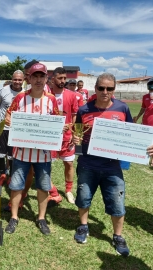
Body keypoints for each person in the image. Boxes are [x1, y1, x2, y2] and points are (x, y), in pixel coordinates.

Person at [72, 73, 131, 257]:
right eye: (101, 88)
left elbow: (132, 133)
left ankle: (118, 236)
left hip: (112, 166)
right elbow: (78, 135)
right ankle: (83, 226)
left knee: (117, 201)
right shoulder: (84, 110)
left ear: (114, 90)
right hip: (88, 163)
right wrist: (76, 141)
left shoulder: (123, 108)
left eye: (110, 88)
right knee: (83, 197)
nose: (105, 92)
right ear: (95, 89)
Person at [4, 63, 59, 235]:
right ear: (29, 78)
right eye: (34, 76)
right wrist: (9, 121)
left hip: (43, 154)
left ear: (46, 78)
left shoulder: (51, 99)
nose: (38, 80)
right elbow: (8, 115)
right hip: (21, 151)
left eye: (41, 76)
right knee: (16, 185)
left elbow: (57, 120)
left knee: (43, 187)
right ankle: (14, 217)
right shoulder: (20, 97)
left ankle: (41, 218)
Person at [50, 67, 79, 204]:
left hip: (66, 137)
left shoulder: (71, 95)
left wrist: (73, 133)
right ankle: (50, 190)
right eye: (60, 78)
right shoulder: (46, 94)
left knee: (68, 163)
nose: (63, 81)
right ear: (53, 78)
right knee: (45, 164)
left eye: (64, 78)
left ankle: (68, 190)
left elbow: (74, 116)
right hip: (50, 137)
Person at [0, 70, 24, 186]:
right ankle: (2, 174)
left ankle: (11, 175)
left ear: (23, 80)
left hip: (16, 130)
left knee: (13, 155)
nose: (17, 82)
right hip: (2, 128)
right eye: (15, 79)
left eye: (19, 80)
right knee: (0, 153)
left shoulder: (26, 93)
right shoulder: (3, 90)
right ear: (12, 79)